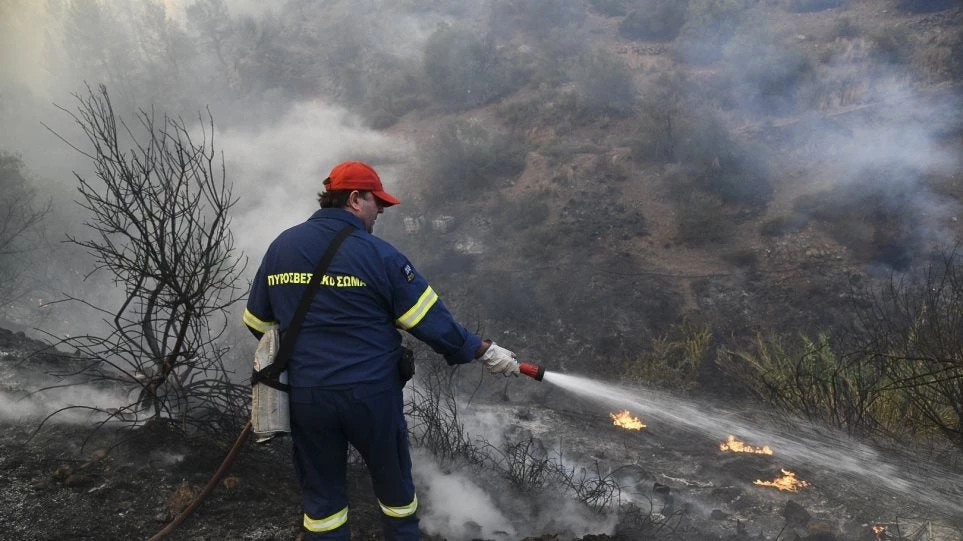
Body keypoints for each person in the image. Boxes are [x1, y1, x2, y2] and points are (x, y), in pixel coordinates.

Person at [242, 160, 520, 540]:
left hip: (308, 398)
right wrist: (482, 350)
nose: (382, 212)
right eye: (379, 204)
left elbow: (257, 322)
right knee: (396, 496)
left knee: (322, 506)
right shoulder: (379, 255)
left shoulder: (281, 247)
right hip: (369, 395)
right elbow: (430, 322)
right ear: (355, 199)